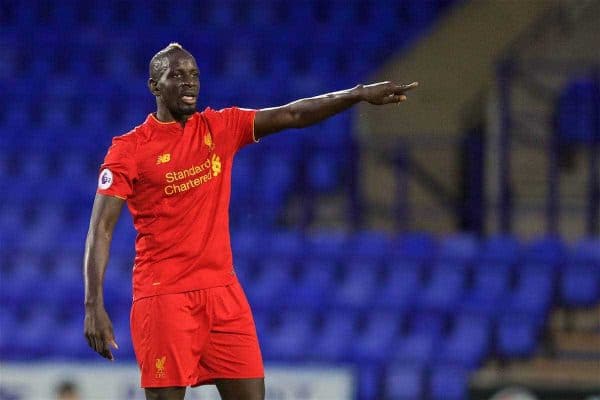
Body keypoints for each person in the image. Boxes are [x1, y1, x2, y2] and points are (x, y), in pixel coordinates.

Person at [83, 42, 418, 400]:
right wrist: (93, 305)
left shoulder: (219, 127)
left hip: (224, 295)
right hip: (165, 298)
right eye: (176, 75)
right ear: (154, 85)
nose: (188, 83)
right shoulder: (129, 149)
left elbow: (293, 114)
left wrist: (357, 94)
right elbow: (101, 229)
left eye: (194, 74)